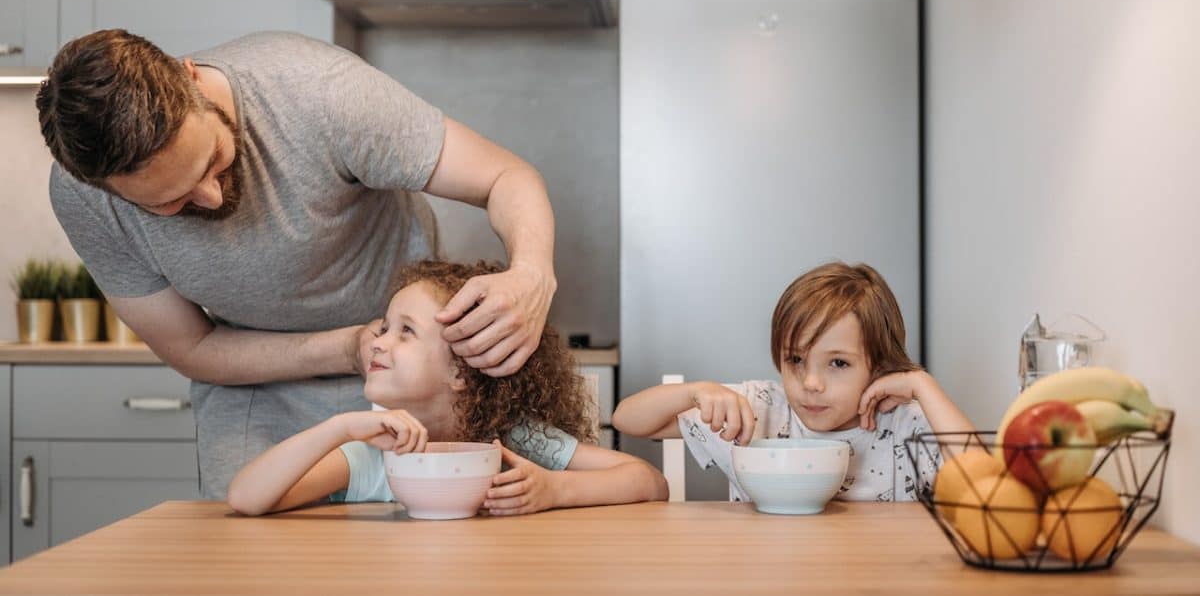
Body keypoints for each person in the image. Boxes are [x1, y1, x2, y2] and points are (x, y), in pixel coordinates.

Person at [35, 29, 559, 497]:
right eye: (169, 204)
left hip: (406, 380)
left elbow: (503, 178)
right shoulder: (85, 202)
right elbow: (192, 347)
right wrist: (344, 348)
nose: (212, 199)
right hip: (254, 386)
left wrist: (532, 274)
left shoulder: (319, 93)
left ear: (190, 78)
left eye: (212, 161)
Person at [227, 261, 667, 516]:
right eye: (384, 328)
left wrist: (556, 490)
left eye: (406, 332)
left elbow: (648, 482)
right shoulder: (372, 454)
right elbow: (246, 498)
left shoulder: (517, 442)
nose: (377, 341)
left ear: (463, 370)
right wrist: (340, 428)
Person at [612, 262, 974, 502]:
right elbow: (626, 419)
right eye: (796, 360)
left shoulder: (904, 422)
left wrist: (923, 386)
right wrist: (693, 391)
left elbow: (983, 485)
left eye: (838, 363)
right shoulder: (758, 409)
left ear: (879, 366)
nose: (811, 382)